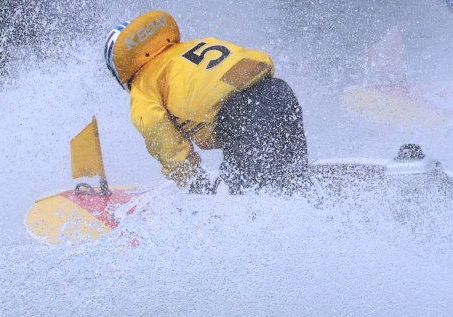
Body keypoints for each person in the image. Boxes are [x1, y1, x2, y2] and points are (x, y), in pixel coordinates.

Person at [103, 10, 309, 195]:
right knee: (292, 182)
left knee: (253, 201)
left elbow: (161, 137)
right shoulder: (193, 47)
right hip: (279, 93)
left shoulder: (143, 86)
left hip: (241, 117)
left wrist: (193, 182)